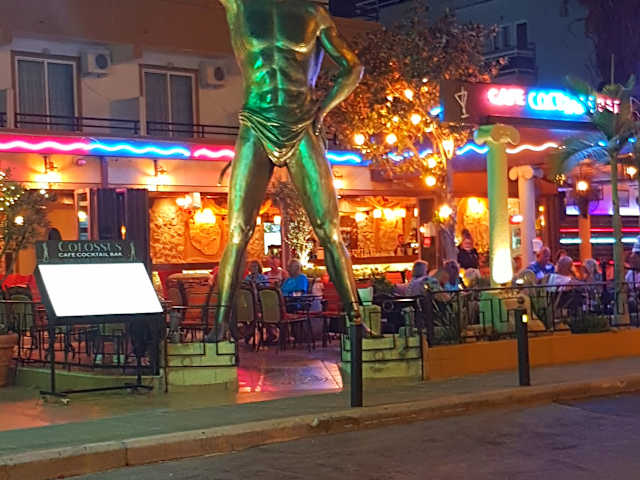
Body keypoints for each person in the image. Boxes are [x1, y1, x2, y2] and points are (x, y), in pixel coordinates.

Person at [209, 0, 364, 341]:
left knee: (329, 231)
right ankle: (219, 327)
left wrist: (323, 110)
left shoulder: (312, 13)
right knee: (237, 231)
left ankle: (356, 321)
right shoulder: (240, 5)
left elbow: (353, 67)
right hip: (256, 121)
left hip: (302, 121)